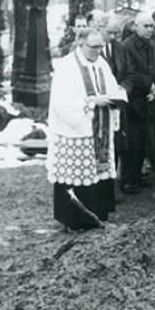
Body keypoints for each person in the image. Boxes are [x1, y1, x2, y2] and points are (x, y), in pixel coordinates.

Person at [46, 29, 127, 231]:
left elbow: (112, 86)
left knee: (99, 172)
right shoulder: (66, 66)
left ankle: (98, 217)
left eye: (100, 46)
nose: (98, 51)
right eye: (94, 47)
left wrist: (116, 96)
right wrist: (91, 103)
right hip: (75, 131)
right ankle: (74, 221)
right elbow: (61, 103)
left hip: (100, 131)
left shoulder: (101, 64)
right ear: (80, 44)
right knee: (77, 174)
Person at [122, 13, 155, 193]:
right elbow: (131, 73)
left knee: (145, 141)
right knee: (134, 142)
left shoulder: (154, 45)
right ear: (136, 27)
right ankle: (127, 179)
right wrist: (151, 86)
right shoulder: (127, 46)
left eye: (151, 26)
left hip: (150, 100)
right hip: (134, 101)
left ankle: (138, 176)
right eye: (145, 26)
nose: (149, 29)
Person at [94, 12, 135, 200]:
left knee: (117, 146)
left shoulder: (120, 48)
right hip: (99, 109)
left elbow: (129, 74)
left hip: (117, 106)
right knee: (101, 147)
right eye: (110, 32)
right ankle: (100, 189)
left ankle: (111, 187)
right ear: (99, 28)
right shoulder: (92, 49)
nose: (113, 37)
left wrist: (121, 88)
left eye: (116, 33)